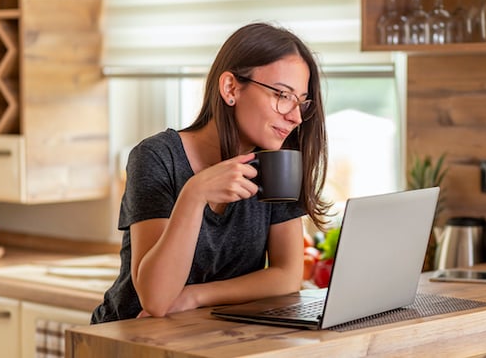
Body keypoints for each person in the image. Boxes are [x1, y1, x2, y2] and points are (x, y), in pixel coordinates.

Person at [91, 22, 331, 323]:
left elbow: (287, 275)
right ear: (231, 88)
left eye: (301, 101)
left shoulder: (276, 163)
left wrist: (196, 296)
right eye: (282, 95)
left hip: (212, 337)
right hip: (129, 341)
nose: (295, 116)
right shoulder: (156, 157)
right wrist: (194, 194)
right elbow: (156, 300)